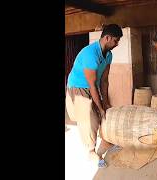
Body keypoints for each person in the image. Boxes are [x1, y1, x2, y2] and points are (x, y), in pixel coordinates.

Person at [65, 24, 123, 168]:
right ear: (107, 38)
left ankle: (106, 140)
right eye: (115, 40)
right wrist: (100, 107)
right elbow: (91, 85)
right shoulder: (90, 54)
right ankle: (90, 151)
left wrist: (106, 103)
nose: (117, 44)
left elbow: (104, 81)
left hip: (92, 86)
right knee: (89, 119)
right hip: (79, 87)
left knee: (104, 112)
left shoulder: (109, 55)